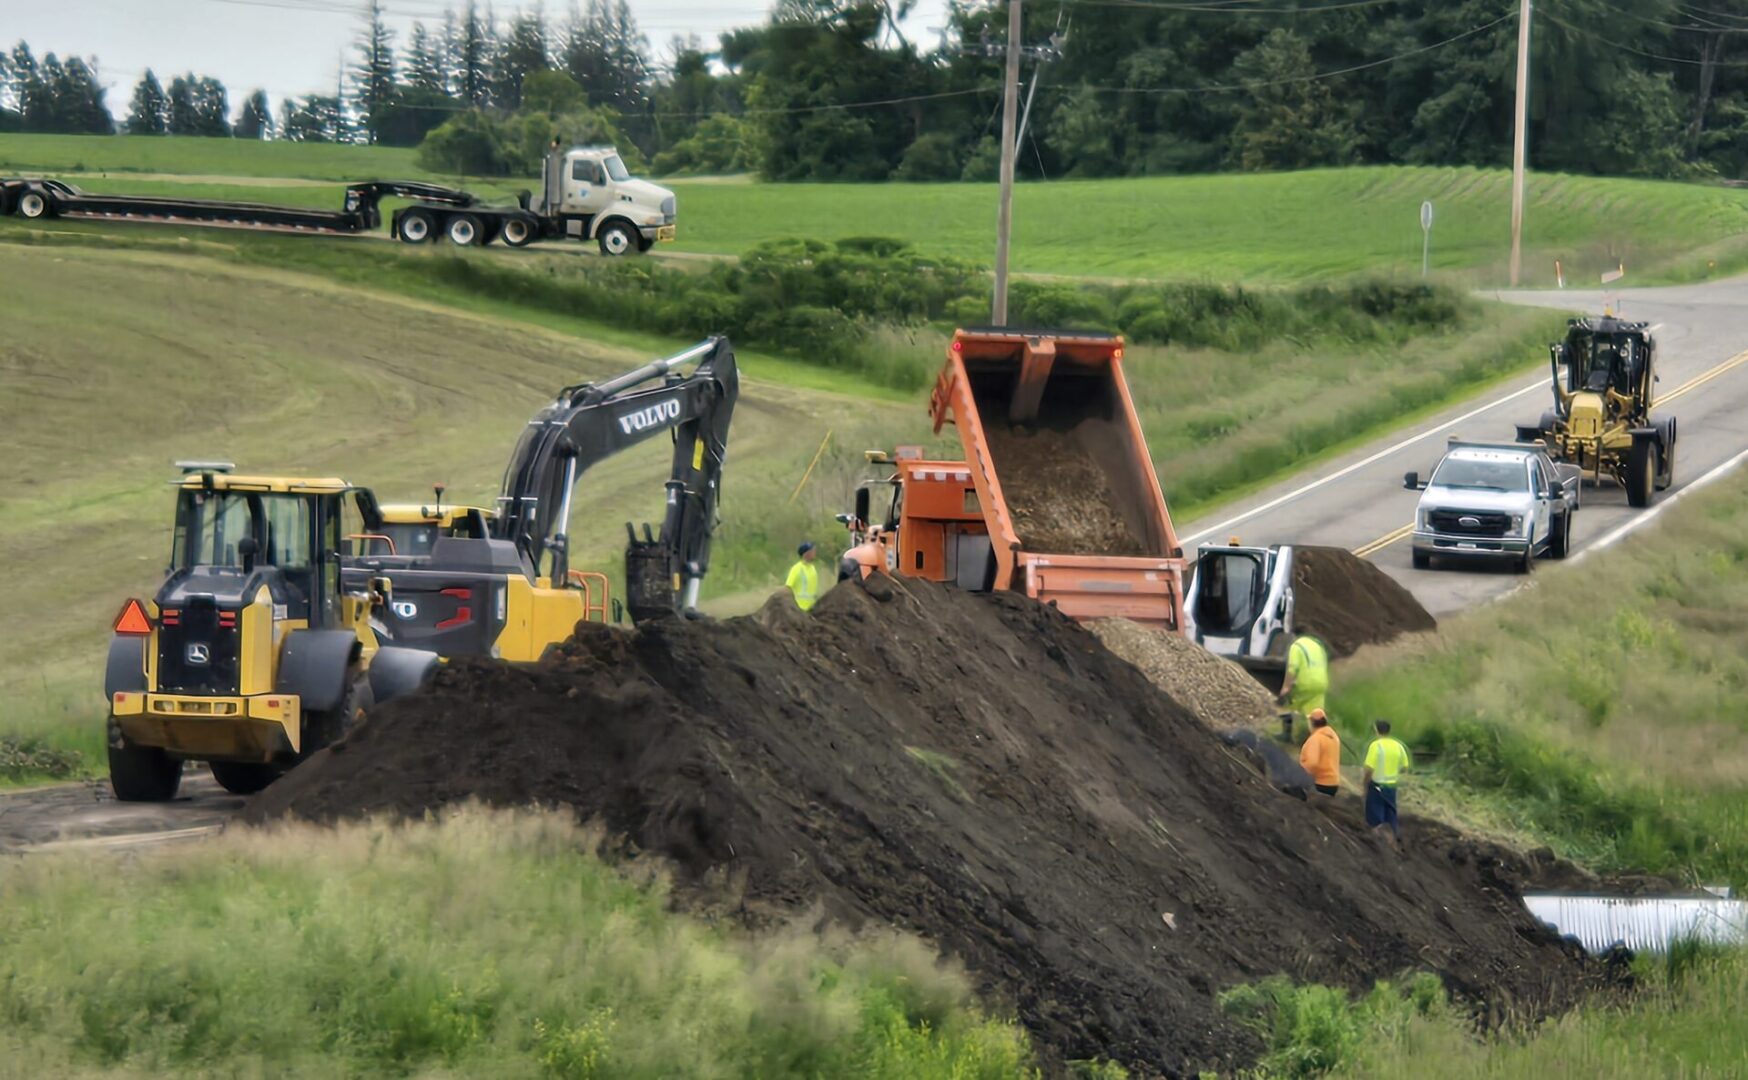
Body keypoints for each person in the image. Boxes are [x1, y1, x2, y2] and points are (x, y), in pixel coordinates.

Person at [1362, 719, 1413, 840]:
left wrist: (1365, 783)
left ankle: (1378, 842)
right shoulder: (1398, 746)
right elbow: (1405, 767)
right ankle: (1393, 838)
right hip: (1392, 786)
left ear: (1376, 730)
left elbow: (1369, 769)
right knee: (1390, 814)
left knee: (1376, 816)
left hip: (1377, 786)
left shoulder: (1376, 746)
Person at [1277, 629, 1329, 721]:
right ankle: (1315, 734)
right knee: (1315, 717)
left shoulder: (1297, 646)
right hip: (1321, 684)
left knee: (1290, 710)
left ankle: (1289, 732)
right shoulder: (1318, 646)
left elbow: (1292, 669)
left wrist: (1285, 689)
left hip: (1305, 685)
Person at [1298, 708, 1341, 797]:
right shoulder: (1333, 737)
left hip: (1319, 784)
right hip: (1333, 783)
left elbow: (1312, 763)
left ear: (1312, 723)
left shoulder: (1315, 739)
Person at [785, 540, 821, 611]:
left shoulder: (812, 568)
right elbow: (788, 588)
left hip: (812, 609)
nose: (814, 553)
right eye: (812, 551)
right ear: (806, 553)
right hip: (799, 609)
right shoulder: (796, 569)